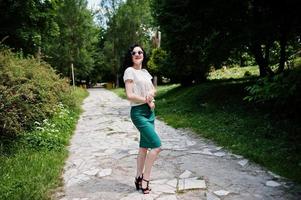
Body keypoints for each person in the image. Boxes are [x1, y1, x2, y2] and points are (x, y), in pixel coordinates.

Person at [123, 44, 162, 194]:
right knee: (157, 146)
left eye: (140, 52)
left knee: (144, 147)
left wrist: (150, 95)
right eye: (134, 52)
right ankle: (146, 179)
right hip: (138, 112)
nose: (138, 54)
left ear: (143, 54)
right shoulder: (129, 71)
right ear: (131, 56)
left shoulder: (145, 72)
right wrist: (146, 100)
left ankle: (138, 177)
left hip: (149, 112)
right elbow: (130, 95)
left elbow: (153, 88)